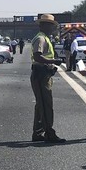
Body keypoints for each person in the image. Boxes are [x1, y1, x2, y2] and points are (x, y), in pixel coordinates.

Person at [31, 14, 66, 143]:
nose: (53, 28)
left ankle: (38, 132)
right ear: (43, 25)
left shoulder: (45, 38)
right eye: (51, 25)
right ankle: (49, 133)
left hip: (43, 74)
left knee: (41, 105)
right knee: (46, 105)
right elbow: (37, 56)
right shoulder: (41, 39)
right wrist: (53, 61)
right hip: (41, 74)